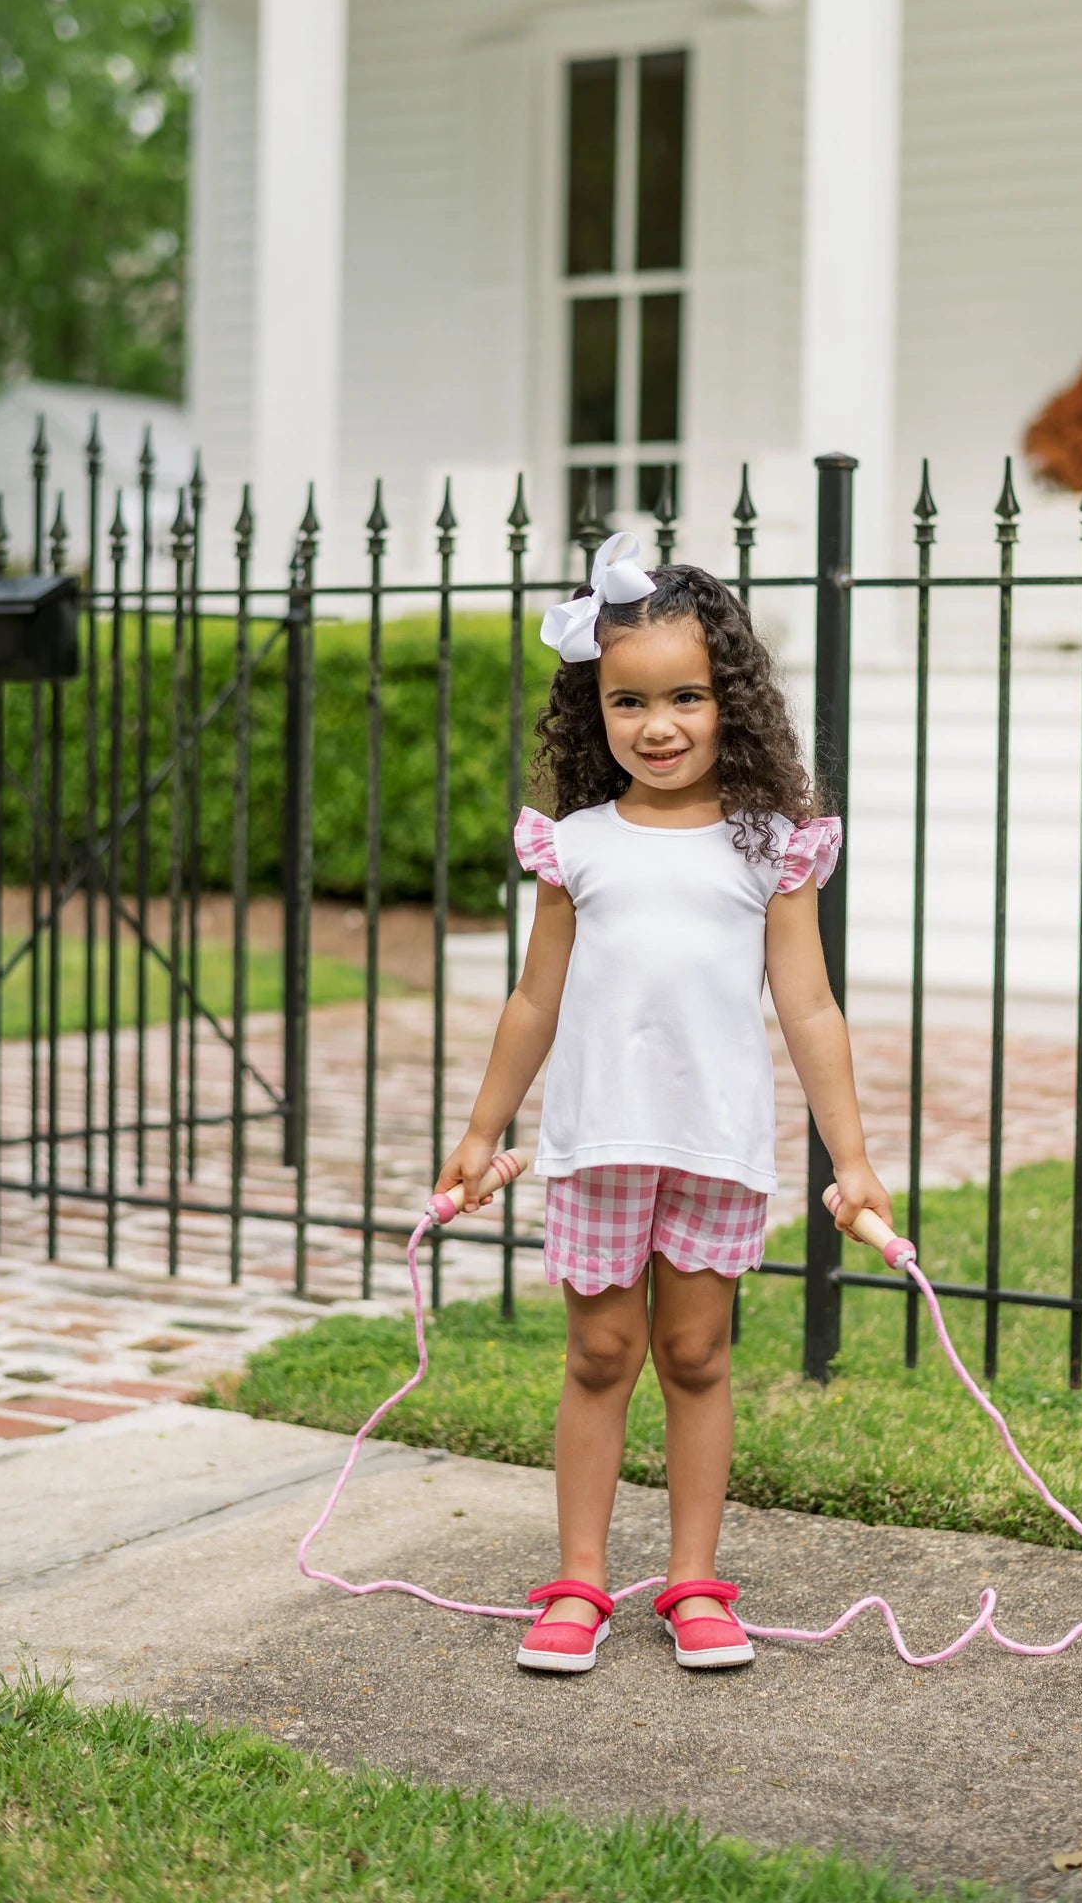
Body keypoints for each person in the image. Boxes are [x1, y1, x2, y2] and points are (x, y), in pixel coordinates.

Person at [432, 529, 893, 1675]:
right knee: (599, 1353)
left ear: (730, 699)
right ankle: (579, 1581)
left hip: (715, 1149)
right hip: (597, 1148)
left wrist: (855, 1157)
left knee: (695, 1355)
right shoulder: (573, 845)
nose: (660, 723)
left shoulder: (768, 846)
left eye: (687, 694)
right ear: (596, 712)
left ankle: (694, 1581)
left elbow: (812, 1010)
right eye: (629, 700)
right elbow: (534, 1001)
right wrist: (482, 1130)